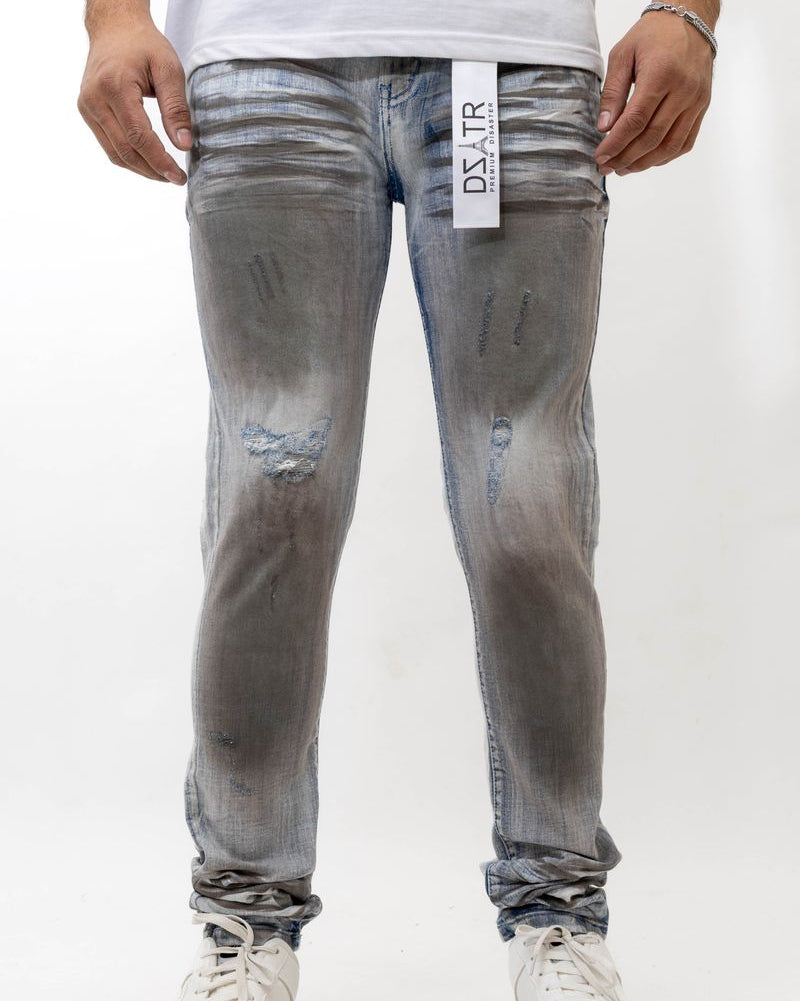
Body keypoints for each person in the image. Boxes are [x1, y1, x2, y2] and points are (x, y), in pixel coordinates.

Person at [77, 2, 720, 999]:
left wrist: (686, 10)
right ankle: (246, 915)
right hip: (263, 62)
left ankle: (556, 911)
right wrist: (112, 18)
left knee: (526, 499)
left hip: (513, 65)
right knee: (274, 483)